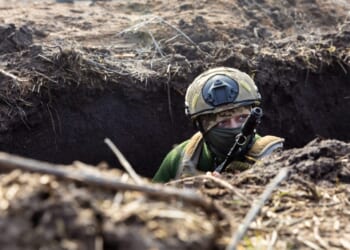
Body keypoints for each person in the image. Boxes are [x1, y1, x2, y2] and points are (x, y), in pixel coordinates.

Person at [153, 67, 284, 183]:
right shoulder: (181, 158)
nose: (234, 127)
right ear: (202, 127)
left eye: (242, 118)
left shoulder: (270, 157)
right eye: (223, 122)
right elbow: (146, 203)